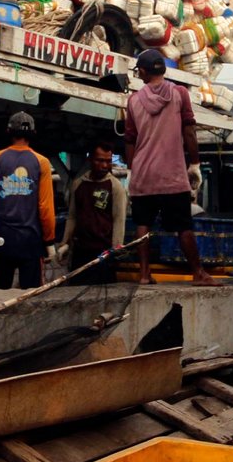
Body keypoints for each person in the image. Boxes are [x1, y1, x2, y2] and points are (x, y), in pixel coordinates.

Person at [124, 48, 218, 286]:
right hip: (172, 175)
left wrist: (131, 171)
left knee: (143, 224)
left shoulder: (133, 101)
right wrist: (195, 163)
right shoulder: (179, 94)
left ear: (143, 72)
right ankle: (198, 273)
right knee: (183, 226)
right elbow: (189, 130)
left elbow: (129, 140)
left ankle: (144, 275)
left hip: (144, 175)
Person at [0, 111, 56, 288]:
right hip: (31, 241)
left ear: (8, 132)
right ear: (33, 134)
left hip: (1, 239)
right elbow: (45, 207)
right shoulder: (42, 162)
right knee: (31, 299)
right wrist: (49, 241)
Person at [57, 142, 127, 284]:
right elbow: (72, 216)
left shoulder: (115, 186)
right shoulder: (78, 184)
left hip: (103, 253)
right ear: (90, 159)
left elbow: (119, 220)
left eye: (108, 161)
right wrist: (65, 243)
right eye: (100, 160)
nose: (104, 165)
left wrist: (115, 251)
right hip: (80, 252)